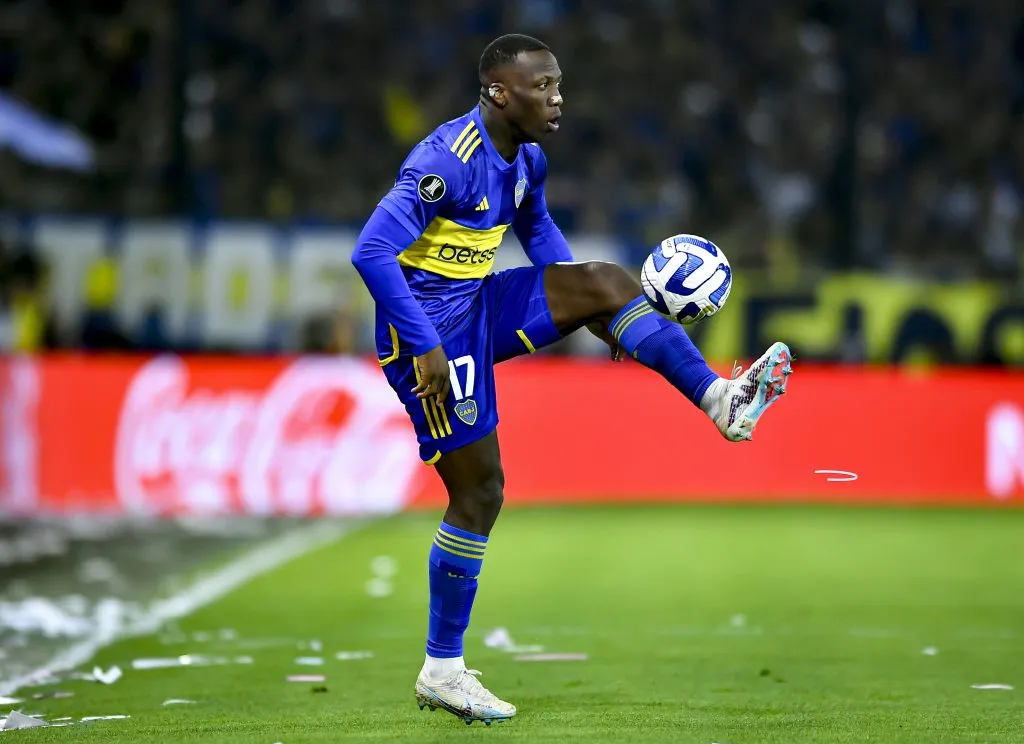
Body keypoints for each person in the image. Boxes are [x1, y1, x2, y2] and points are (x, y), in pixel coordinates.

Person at [351, 33, 792, 725]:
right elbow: (372, 251)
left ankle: (720, 399)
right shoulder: (445, 162)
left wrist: (595, 314)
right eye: (544, 86)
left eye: (558, 84)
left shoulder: (527, 158)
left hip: (479, 301)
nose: (558, 99)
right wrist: (425, 345)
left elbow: (540, 235)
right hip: (425, 333)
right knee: (481, 493)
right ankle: (442, 670)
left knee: (607, 281)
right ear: (499, 93)